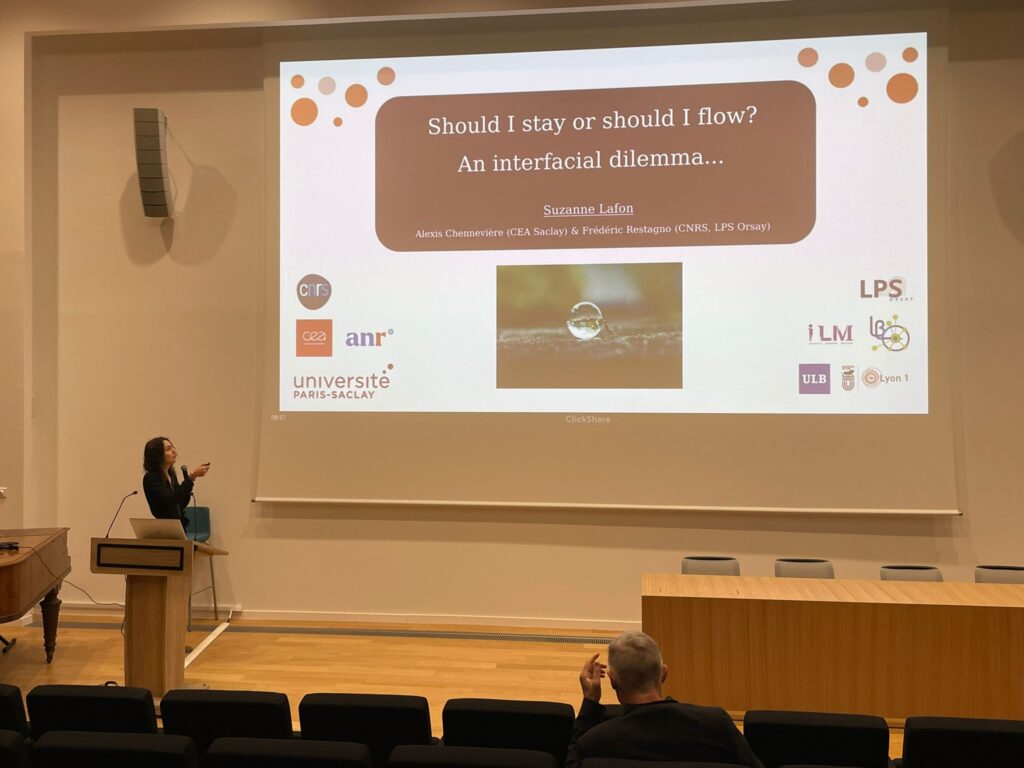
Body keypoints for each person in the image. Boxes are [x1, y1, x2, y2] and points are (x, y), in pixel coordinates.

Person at [565, 631, 765, 768]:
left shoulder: (596, 741)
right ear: (664, 674)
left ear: (612, 680)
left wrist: (590, 704)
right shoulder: (717, 725)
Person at [141, 436, 209, 532]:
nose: (174, 452)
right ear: (157, 454)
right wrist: (191, 477)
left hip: (178, 526)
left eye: (173, 448)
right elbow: (170, 499)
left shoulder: (171, 475)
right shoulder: (151, 478)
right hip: (164, 529)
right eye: (168, 449)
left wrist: (190, 481)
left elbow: (181, 503)